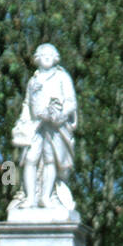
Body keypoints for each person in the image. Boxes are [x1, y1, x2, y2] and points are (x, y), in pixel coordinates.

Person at [10, 42, 78, 212]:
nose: (47, 57)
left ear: (55, 58)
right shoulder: (33, 80)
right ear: (37, 58)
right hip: (35, 125)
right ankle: (30, 198)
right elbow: (27, 104)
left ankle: (46, 198)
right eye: (43, 54)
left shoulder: (62, 77)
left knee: (50, 159)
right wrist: (23, 122)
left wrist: (60, 114)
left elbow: (71, 102)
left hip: (55, 127)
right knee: (30, 159)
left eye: (50, 54)